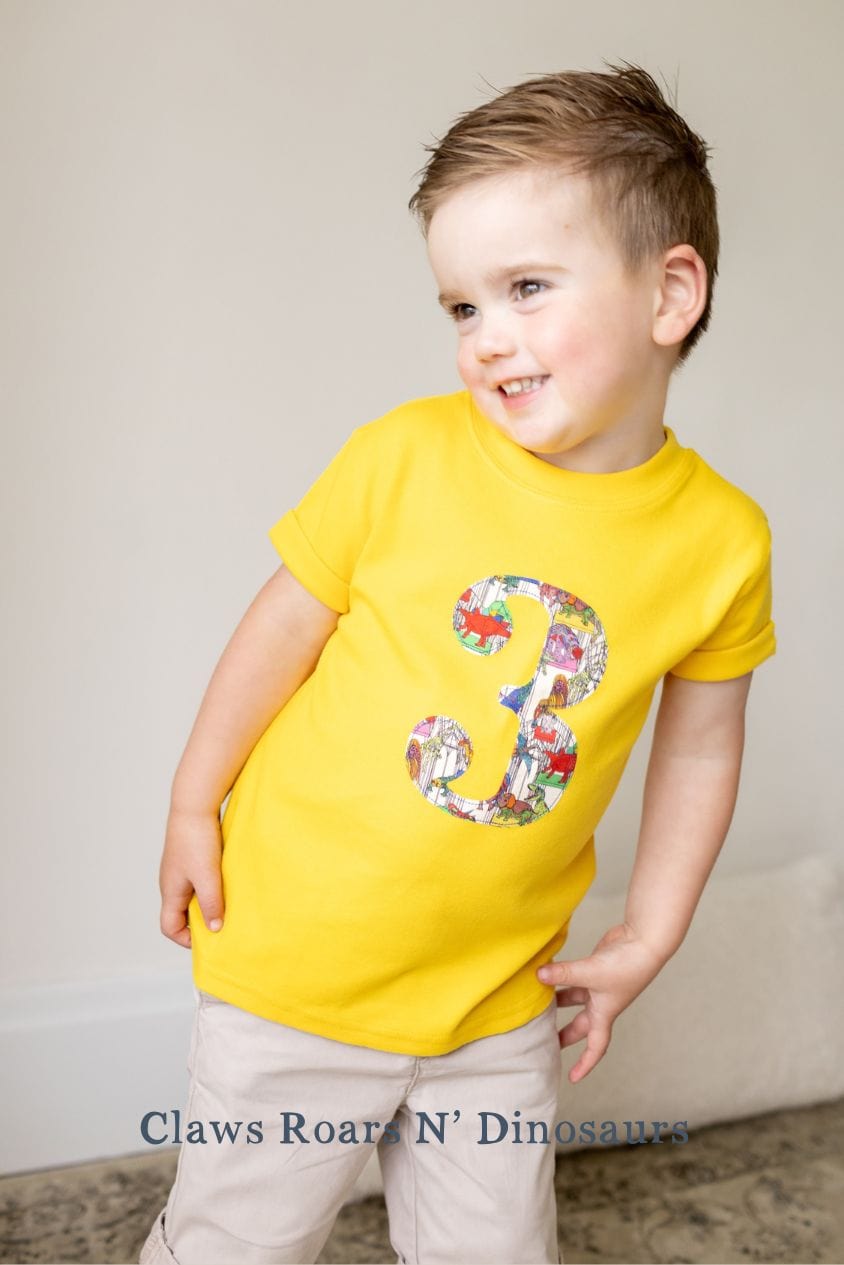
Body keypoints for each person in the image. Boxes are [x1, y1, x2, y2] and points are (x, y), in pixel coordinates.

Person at [139, 59, 776, 1265]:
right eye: (460, 307)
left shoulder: (719, 539)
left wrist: (646, 934)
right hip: (301, 966)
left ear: (669, 291)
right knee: (238, 1241)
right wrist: (190, 801)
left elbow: (701, 738)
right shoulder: (403, 458)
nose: (487, 340)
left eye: (526, 288)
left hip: (496, 994)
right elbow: (281, 627)